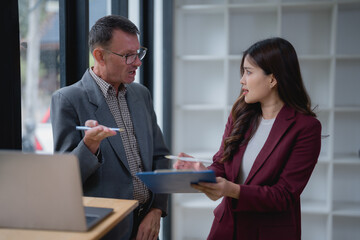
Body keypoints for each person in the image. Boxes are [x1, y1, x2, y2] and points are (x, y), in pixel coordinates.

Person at [174, 37, 322, 240]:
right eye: (243, 72)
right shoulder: (240, 115)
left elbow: (284, 196)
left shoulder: (305, 128)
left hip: (269, 234)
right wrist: (202, 174)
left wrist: (231, 190)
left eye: (248, 72)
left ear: (273, 79)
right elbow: (222, 164)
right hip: (226, 229)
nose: (242, 80)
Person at [51, 15, 169, 240]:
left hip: (147, 226)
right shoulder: (68, 99)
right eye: (128, 56)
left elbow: (160, 157)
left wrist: (157, 210)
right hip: (105, 230)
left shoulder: (140, 94)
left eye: (139, 53)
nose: (137, 62)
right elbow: (65, 181)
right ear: (99, 56)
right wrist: (89, 145)